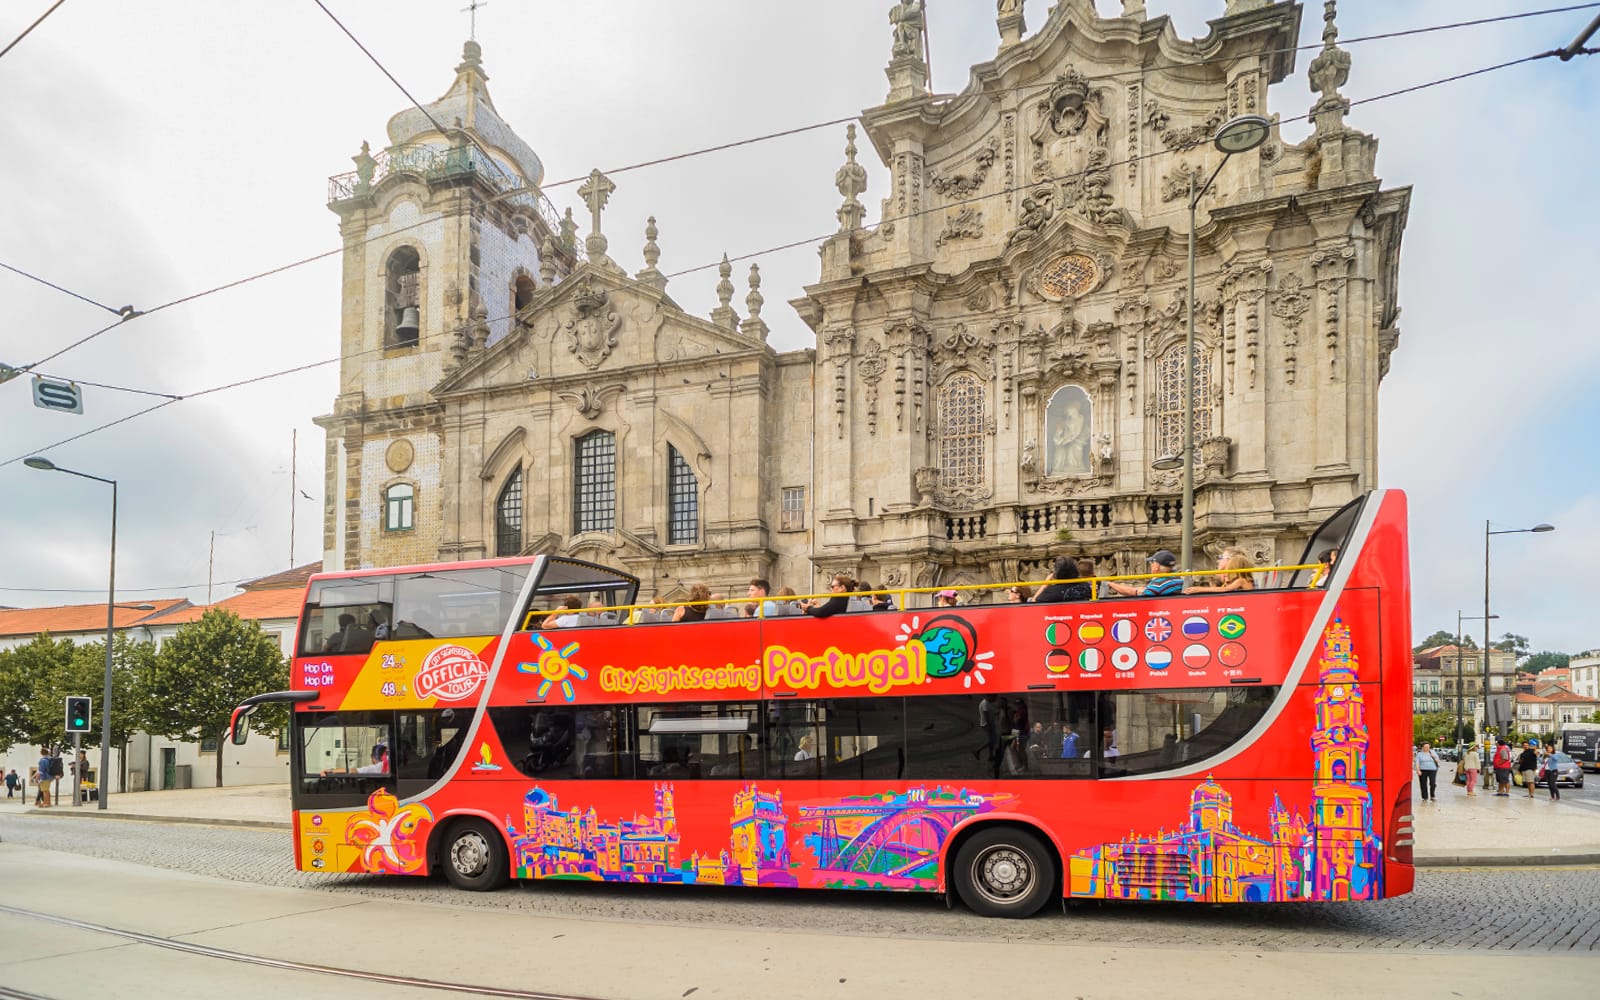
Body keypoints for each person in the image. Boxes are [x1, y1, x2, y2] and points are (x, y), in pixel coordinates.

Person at [1107, 550, 1184, 597]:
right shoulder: (1174, 578)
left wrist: (1110, 584)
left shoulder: (1161, 584)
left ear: (1156, 566)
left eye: (1151, 562)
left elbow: (1132, 592)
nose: (1150, 565)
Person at [1185, 549, 1257, 594]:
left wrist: (1199, 589)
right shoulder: (1228, 579)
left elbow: (1225, 589)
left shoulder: (1241, 581)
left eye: (1221, 558)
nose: (1218, 561)